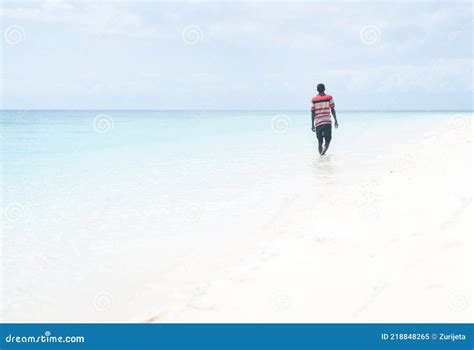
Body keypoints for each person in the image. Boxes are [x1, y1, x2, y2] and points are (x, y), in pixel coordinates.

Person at [311, 83, 338, 156]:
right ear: (324, 89)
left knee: (320, 141)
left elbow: (312, 113)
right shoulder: (329, 97)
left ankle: (321, 158)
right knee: (328, 141)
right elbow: (332, 109)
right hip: (327, 122)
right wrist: (335, 120)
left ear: (317, 90)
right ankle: (321, 156)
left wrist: (312, 125)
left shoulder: (313, 100)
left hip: (318, 123)